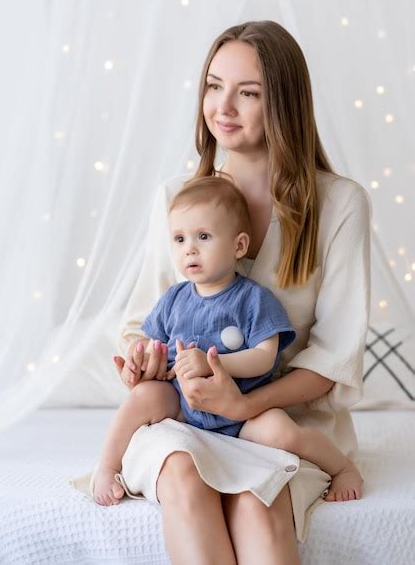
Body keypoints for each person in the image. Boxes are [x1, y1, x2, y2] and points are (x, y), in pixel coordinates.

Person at [114, 21, 371, 565]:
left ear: (283, 104)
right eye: (213, 86)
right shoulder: (176, 199)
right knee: (183, 474)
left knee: (258, 500)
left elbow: (333, 355)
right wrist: (144, 361)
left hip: (281, 426)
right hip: (187, 418)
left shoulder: (340, 205)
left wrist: (247, 402)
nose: (222, 106)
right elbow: (145, 324)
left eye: (247, 93)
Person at [93, 177, 362, 511]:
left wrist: (214, 364)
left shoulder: (253, 299)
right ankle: (107, 466)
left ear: (238, 246)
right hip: (185, 406)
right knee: (142, 397)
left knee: (284, 434)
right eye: (179, 239)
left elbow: (265, 357)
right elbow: (152, 342)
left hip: (245, 408)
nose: (189, 248)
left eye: (203, 237)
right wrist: (144, 358)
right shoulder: (174, 299)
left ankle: (343, 468)